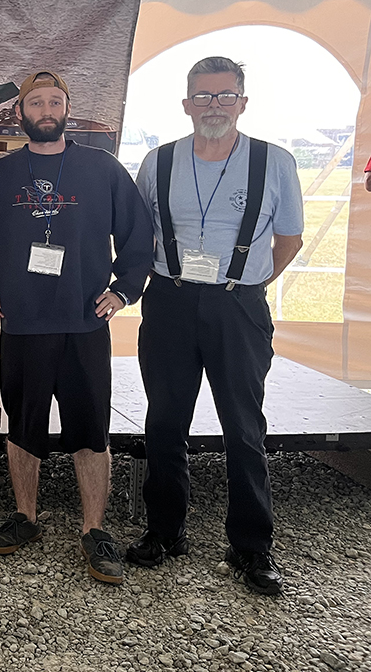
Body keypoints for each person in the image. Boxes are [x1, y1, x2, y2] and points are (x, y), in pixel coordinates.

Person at [128, 56, 303, 596]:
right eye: (203, 96)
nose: (214, 106)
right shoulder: (157, 161)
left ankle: (252, 546)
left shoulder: (274, 162)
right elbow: (137, 234)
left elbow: (289, 239)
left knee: (244, 428)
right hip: (170, 302)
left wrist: (247, 285)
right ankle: (164, 531)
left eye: (226, 95)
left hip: (238, 306)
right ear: (186, 104)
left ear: (243, 102)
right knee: (164, 422)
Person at [0, 70, 152, 585]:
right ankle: (25, 516)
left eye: (55, 102)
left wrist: (124, 290)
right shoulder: (0, 175)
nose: (46, 111)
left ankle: (94, 529)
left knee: (90, 430)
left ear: (67, 109)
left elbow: (138, 236)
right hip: (24, 324)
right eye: (36, 103)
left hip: (84, 323)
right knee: (23, 426)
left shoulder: (102, 168)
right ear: (19, 113)